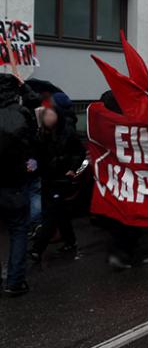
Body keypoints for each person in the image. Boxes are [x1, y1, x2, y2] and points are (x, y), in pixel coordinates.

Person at [30, 103, 86, 262]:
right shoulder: (41, 134)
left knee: (51, 214)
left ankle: (37, 249)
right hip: (48, 178)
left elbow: (82, 157)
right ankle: (70, 241)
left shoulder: (68, 133)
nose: (48, 118)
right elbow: (36, 155)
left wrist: (74, 171)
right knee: (60, 213)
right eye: (45, 115)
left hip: (63, 180)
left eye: (51, 115)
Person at [0, 74, 39, 296]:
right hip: (15, 184)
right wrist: (25, 87)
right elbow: (32, 148)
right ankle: (14, 281)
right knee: (18, 231)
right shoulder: (22, 114)